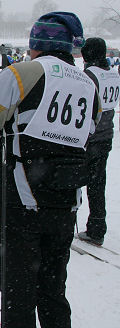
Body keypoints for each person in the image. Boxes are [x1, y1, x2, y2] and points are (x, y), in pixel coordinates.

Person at [0, 12, 100, 328]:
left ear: (37, 45)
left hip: (18, 205)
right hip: (64, 203)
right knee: (53, 293)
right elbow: (88, 133)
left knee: (18, 296)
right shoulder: (88, 83)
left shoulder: (23, 73)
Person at [77, 38, 120, 246]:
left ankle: (64, 221)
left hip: (88, 137)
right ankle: (97, 226)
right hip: (106, 135)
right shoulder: (113, 75)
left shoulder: (89, 76)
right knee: (97, 183)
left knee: (72, 179)